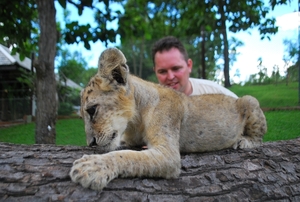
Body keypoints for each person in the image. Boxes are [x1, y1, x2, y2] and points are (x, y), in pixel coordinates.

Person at [152, 36, 238, 98]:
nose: (170, 77)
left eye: (176, 68)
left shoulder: (215, 93)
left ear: (189, 65)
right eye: (162, 71)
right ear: (155, 71)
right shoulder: (150, 103)